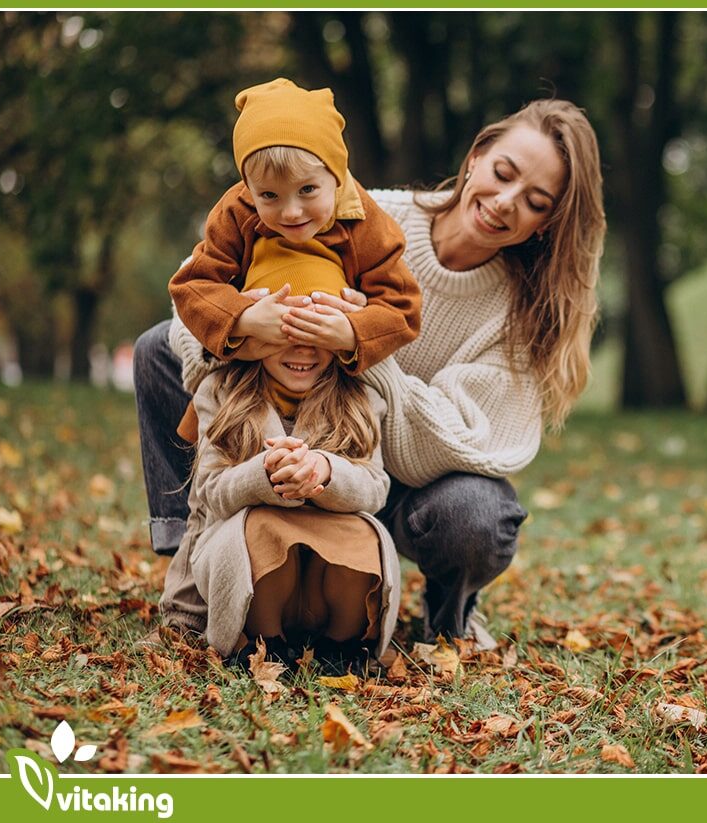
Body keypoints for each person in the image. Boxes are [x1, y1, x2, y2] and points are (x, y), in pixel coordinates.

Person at [141, 98, 605, 650]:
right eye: (503, 174)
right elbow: (190, 310)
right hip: (277, 436)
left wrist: (359, 345)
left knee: (479, 512)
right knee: (155, 350)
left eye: (535, 201)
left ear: (548, 220)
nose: (505, 203)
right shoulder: (357, 211)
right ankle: (193, 562)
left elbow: (456, 446)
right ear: (477, 157)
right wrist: (245, 326)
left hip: (393, 480)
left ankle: (448, 613)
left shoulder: (525, 311)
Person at [167, 255, 401, 675]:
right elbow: (211, 493)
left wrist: (324, 473)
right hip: (259, 581)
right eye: (286, 331)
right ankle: (264, 646)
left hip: (325, 583)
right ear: (255, 333)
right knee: (262, 527)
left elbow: (375, 486)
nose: (303, 348)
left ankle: (341, 649)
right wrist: (264, 474)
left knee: (364, 533)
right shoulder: (221, 393)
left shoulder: (359, 398)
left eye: (317, 332)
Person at [168, 76, 421, 460]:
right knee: (218, 446)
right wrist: (244, 319)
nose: (290, 211)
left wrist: (352, 330)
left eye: (307, 191)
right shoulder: (237, 211)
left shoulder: (364, 221)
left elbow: (402, 306)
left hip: (329, 376)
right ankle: (183, 513)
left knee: (331, 456)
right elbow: (193, 285)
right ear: (248, 188)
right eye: (269, 195)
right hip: (252, 370)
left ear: (335, 176)